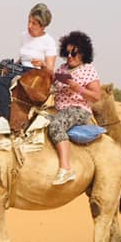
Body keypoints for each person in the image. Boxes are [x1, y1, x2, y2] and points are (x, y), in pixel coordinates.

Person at [0, 3, 57, 134]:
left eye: (34, 24)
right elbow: (21, 58)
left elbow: (50, 71)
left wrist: (42, 63)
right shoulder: (24, 36)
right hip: (20, 70)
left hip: (35, 76)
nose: (29, 26)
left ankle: (4, 120)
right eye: (29, 21)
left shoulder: (48, 41)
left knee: (2, 81)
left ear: (43, 26)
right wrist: (10, 66)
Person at [48, 31, 101, 184]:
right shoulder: (62, 69)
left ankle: (66, 169)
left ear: (83, 53)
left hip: (78, 109)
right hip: (58, 108)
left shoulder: (88, 70)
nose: (70, 56)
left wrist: (78, 88)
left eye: (74, 53)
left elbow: (96, 96)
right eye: (67, 53)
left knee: (56, 125)